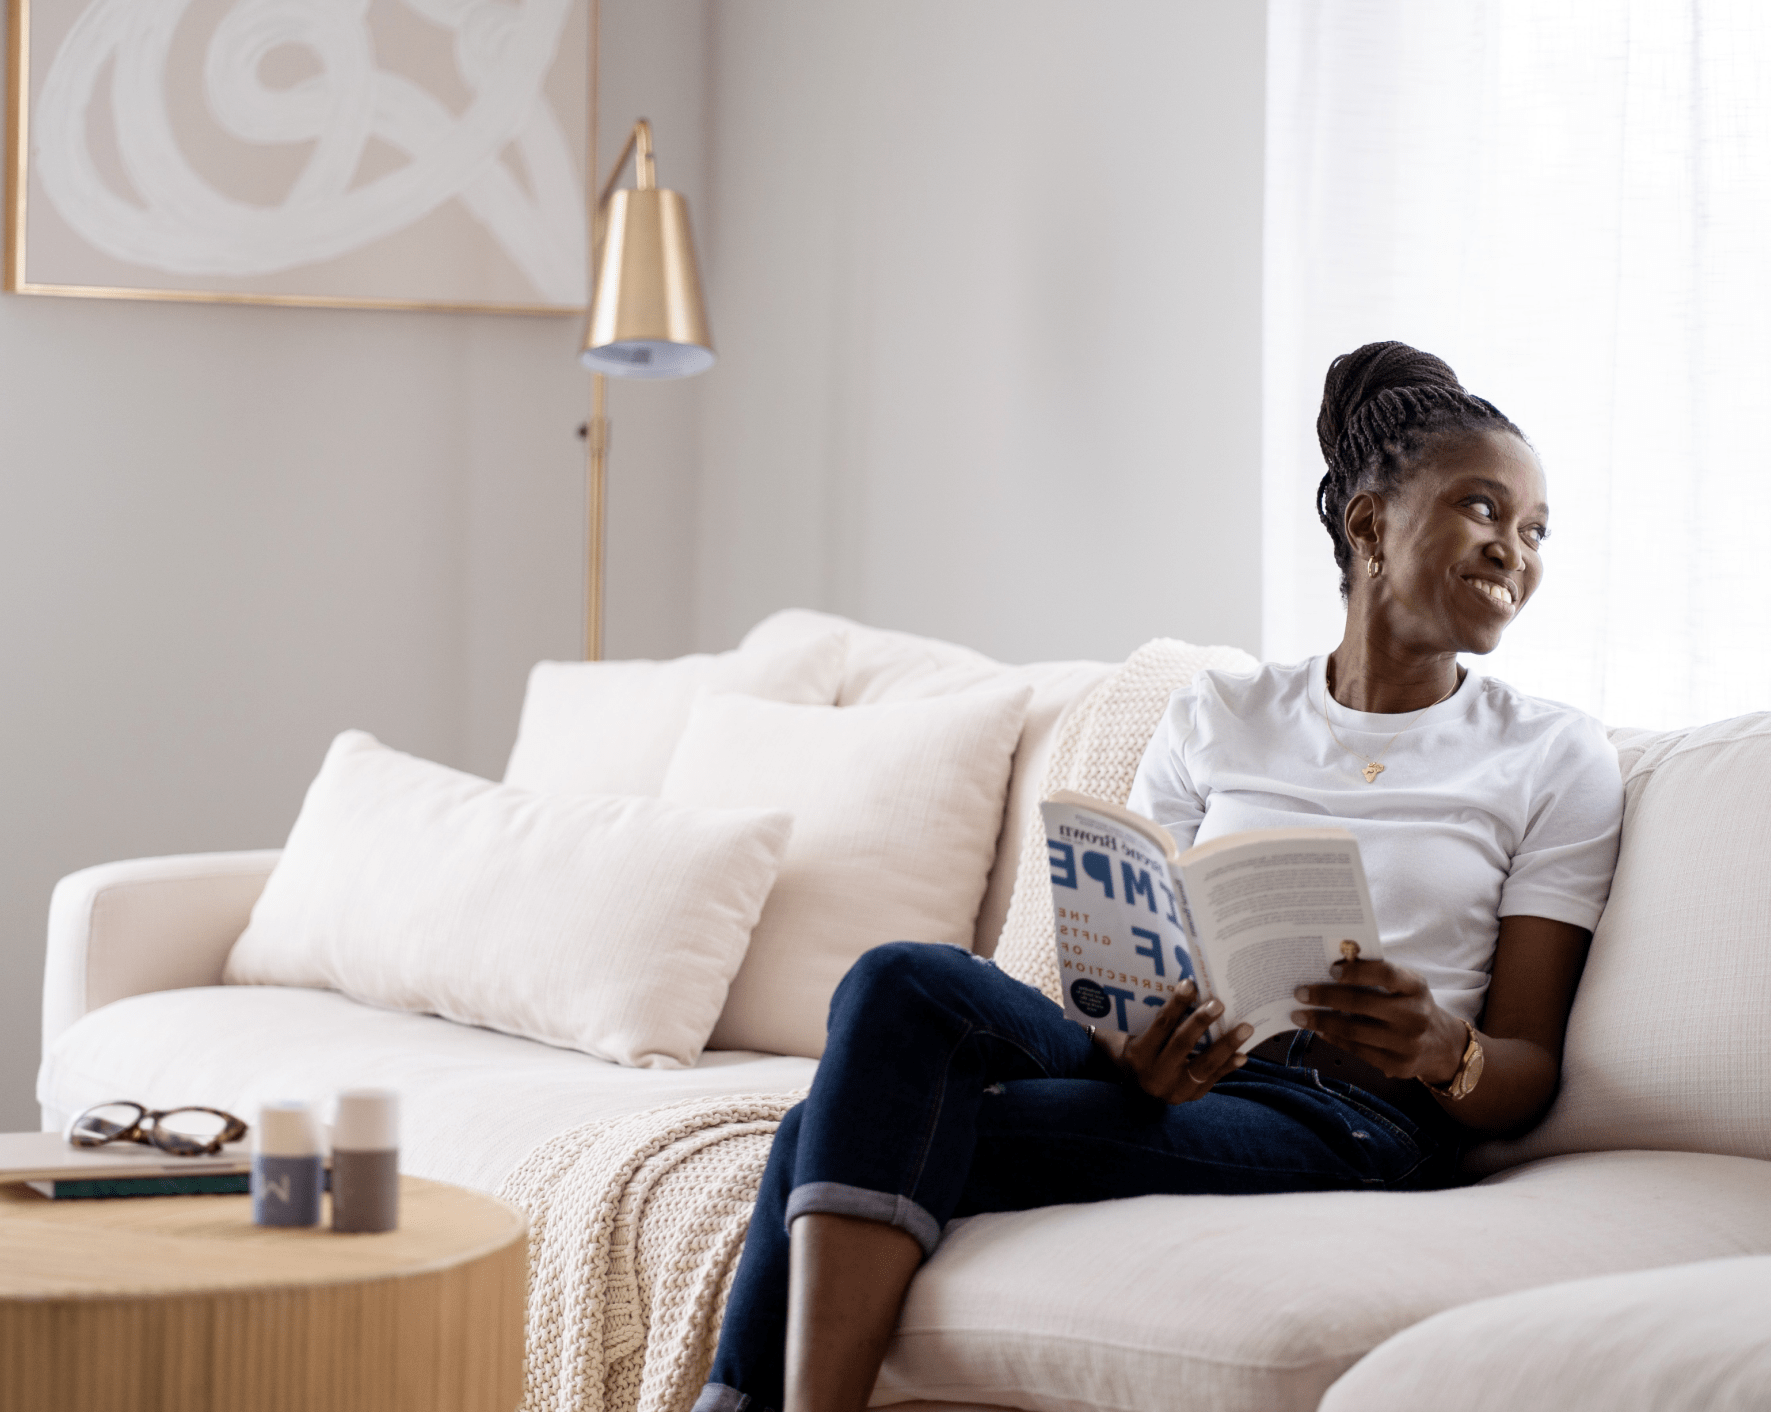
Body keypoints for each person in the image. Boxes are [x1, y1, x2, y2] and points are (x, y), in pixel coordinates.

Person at [691, 342, 1625, 1412]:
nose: (1516, 548)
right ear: (1368, 525)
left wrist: (1440, 1047)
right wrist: (1135, 1046)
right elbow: (1149, 942)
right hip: (1183, 1074)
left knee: (830, 1125)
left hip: (1357, 1123)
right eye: (1483, 509)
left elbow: (1527, 1065)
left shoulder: (1553, 754)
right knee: (900, 981)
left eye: (1536, 527)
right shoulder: (1219, 714)